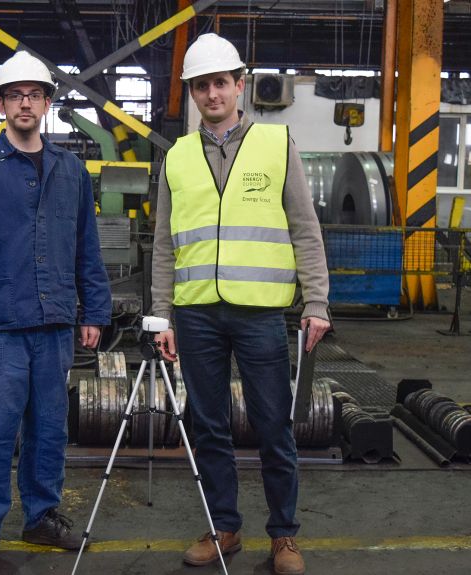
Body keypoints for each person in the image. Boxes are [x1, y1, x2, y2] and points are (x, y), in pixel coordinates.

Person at [151, 33, 331, 575]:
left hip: (259, 312)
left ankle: (283, 536)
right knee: (208, 425)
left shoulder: (277, 145)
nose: (212, 94)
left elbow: (305, 228)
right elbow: (164, 242)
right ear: (192, 93)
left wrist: (316, 301)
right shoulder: (178, 156)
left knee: (274, 425)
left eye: (220, 83)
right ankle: (225, 527)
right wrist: (161, 314)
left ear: (239, 86)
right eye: (201, 85)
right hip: (198, 313)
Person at [0, 50, 112, 573]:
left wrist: (95, 311)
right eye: (14, 94)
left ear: (47, 103)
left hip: (56, 322)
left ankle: (42, 516)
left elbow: (88, 246)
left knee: (48, 431)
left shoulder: (71, 170)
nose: (24, 103)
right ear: (0, 103)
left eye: (34, 94)